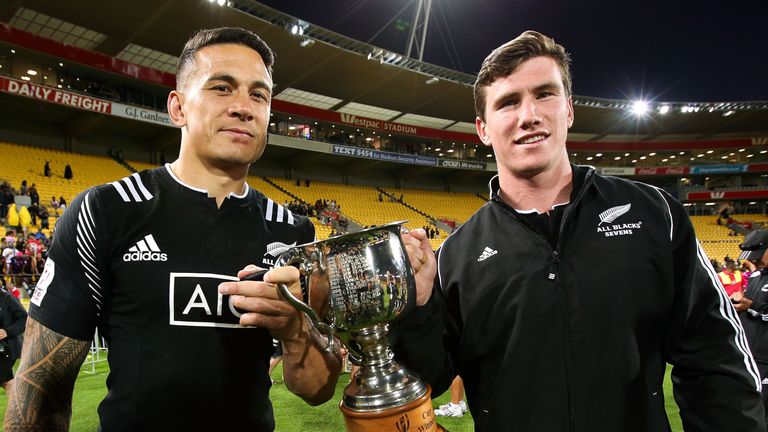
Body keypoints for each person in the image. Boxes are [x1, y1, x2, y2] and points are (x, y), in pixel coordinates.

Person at [395, 30, 764, 431]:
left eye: (545, 94)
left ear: (569, 110)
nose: (528, 115)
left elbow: (715, 357)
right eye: (508, 102)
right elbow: (425, 380)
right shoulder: (457, 253)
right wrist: (417, 310)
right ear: (483, 129)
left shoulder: (654, 214)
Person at [5, 27, 341, 432]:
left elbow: (317, 391)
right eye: (221, 87)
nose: (243, 107)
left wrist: (295, 328)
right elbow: (42, 383)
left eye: (259, 94)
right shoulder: (106, 211)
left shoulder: (294, 231)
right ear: (178, 107)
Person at [732, 230, 768, 425]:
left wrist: (751, 306)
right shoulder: (756, 276)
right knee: (748, 413)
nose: (756, 262)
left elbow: (754, 306)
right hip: (749, 355)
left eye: (758, 256)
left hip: (766, 360)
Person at [0, 287, 27, 400]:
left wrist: (7, 331)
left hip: (8, 349)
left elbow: (24, 319)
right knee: (8, 383)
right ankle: (21, 410)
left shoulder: (8, 298)